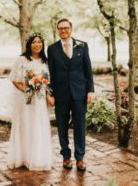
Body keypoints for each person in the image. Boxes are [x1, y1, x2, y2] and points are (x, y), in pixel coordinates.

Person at [47, 18, 94, 171]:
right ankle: (66, 157)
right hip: (61, 95)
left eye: (66, 28)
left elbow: (88, 70)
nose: (63, 31)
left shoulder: (82, 46)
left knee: (80, 127)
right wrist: (50, 93)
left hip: (79, 93)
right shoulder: (52, 49)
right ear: (57, 30)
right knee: (62, 127)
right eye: (60, 28)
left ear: (71, 29)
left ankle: (80, 158)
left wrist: (90, 90)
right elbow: (51, 74)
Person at [7, 32, 53, 171]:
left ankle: (38, 158)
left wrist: (48, 95)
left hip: (40, 101)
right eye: (34, 42)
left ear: (42, 44)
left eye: (39, 42)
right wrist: (27, 90)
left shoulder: (46, 61)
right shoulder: (22, 60)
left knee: (38, 126)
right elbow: (14, 79)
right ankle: (23, 158)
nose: (37, 44)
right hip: (25, 99)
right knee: (25, 125)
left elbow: (48, 83)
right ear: (29, 45)